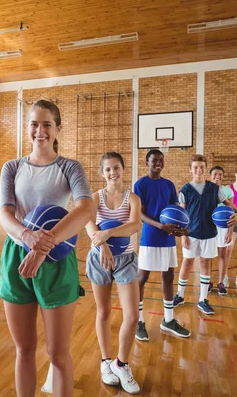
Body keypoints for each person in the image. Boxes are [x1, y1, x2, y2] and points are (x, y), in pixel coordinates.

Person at [0, 100, 94, 397]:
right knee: (24, 349)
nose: (39, 131)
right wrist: (27, 238)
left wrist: (43, 246)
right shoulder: (12, 167)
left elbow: (86, 208)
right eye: (34, 124)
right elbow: (5, 214)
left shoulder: (69, 167)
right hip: (17, 255)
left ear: (57, 129)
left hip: (56, 258)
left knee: (57, 353)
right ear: (27, 128)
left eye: (46, 124)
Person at [85, 152, 141, 394]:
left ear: (123, 169)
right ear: (102, 173)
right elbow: (88, 224)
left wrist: (107, 233)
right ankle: (106, 362)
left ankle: (122, 363)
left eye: (116, 167)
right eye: (107, 169)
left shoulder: (133, 199)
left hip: (126, 259)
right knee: (104, 311)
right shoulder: (96, 197)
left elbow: (135, 225)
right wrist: (103, 244)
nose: (112, 173)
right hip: (99, 258)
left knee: (132, 316)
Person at [134, 149, 191, 341]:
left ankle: (168, 320)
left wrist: (182, 228)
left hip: (168, 237)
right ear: (146, 162)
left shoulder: (169, 185)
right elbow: (139, 214)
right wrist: (160, 225)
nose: (158, 163)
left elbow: (175, 211)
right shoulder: (140, 184)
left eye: (161, 160)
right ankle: (139, 321)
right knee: (142, 278)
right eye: (154, 161)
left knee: (168, 276)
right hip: (150, 236)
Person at [174, 155, 237, 316]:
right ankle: (180, 295)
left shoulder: (214, 188)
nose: (199, 170)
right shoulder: (185, 190)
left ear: (205, 168)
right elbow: (182, 214)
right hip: (191, 233)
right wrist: (183, 235)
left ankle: (203, 299)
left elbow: (230, 206)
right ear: (190, 169)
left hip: (210, 234)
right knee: (187, 263)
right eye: (195, 167)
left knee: (205, 264)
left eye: (201, 167)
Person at [210, 165, 234, 296]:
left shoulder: (228, 191)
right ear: (210, 175)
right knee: (207, 256)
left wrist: (230, 231)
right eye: (215, 174)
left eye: (220, 174)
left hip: (223, 226)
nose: (218, 176)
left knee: (222, 254)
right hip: (209, 225)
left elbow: (232, 211)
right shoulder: (206, 189)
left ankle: (220, 282)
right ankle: (207, 282)